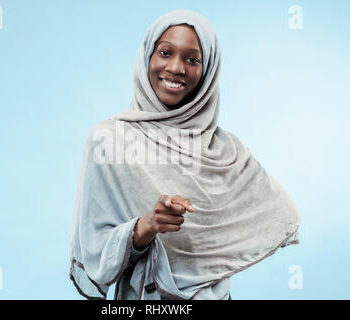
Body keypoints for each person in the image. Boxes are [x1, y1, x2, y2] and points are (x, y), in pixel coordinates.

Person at [69, 9, 300, 300]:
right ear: (147, 57)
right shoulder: (107, 140)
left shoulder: (226, 151)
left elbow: (281, 214)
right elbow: (95, 248)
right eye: (165, 52)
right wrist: (147, 226)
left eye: (192, 59)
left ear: (209, 70)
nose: (176, 68)